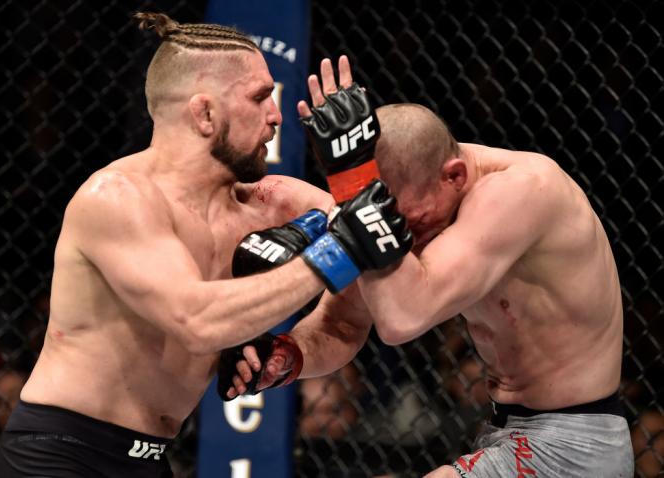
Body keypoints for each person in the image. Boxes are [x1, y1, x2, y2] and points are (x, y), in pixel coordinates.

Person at [0, 13, 412, 477]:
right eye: (259, 98)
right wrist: (336, 253)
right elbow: (196, 320)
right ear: (205, 113)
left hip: (151, 460)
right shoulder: (117, 198)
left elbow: (383, 281)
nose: (277, 113)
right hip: (61, 454)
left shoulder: (275, 202)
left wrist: (289, 355)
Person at [223, 56, 634, 477]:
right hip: (508, 432)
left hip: (574, 444)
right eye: (394, 224)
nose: (408, 241)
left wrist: (354, 188)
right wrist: (288, 356)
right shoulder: (401, 213)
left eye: (415, 224)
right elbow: (342, 324)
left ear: (454, 176)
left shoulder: (523, 191)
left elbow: (403, 317)